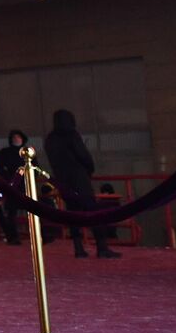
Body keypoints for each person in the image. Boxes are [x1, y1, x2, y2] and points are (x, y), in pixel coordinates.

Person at [44, 109, 120, 260]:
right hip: (79, 178)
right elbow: (83, 155)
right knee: (93, 212)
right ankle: (102, 247)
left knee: (73, 213)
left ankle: (78, 249)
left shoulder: (50, 139)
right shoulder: (72, 135)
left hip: (63, 180)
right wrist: (89, 169)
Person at [0, 130, 32, 245]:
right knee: (12, 213)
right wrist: (8, 179)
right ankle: (13, 237)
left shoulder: (28, 152)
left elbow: (35, 167)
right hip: (12, 186)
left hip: (26, 186)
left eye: (18, 137)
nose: (16, 139)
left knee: (34, 210)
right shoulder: (5, 153)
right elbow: (0, 167)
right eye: (14, 137)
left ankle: (40, 234)